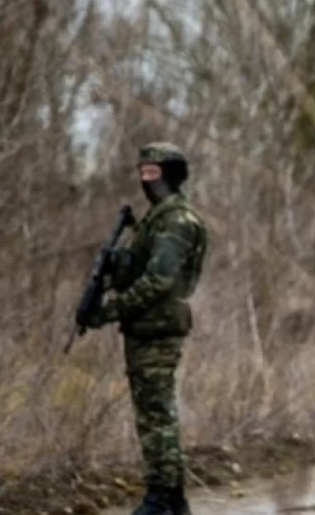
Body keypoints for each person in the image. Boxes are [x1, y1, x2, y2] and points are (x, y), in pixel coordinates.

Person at [78, 142, 208, 515]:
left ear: (173, 175)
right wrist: (117, 268)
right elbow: (141, 271)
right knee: (153, 413)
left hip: (158, 327)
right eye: (143, 173)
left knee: (156, 416)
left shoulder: (177, 220)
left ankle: (161, 498)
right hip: (145, 326)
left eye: (154, 173)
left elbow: (159, 281)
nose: (147, 180)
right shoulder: (156, 218)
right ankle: (174, 501)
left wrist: (109, 311)